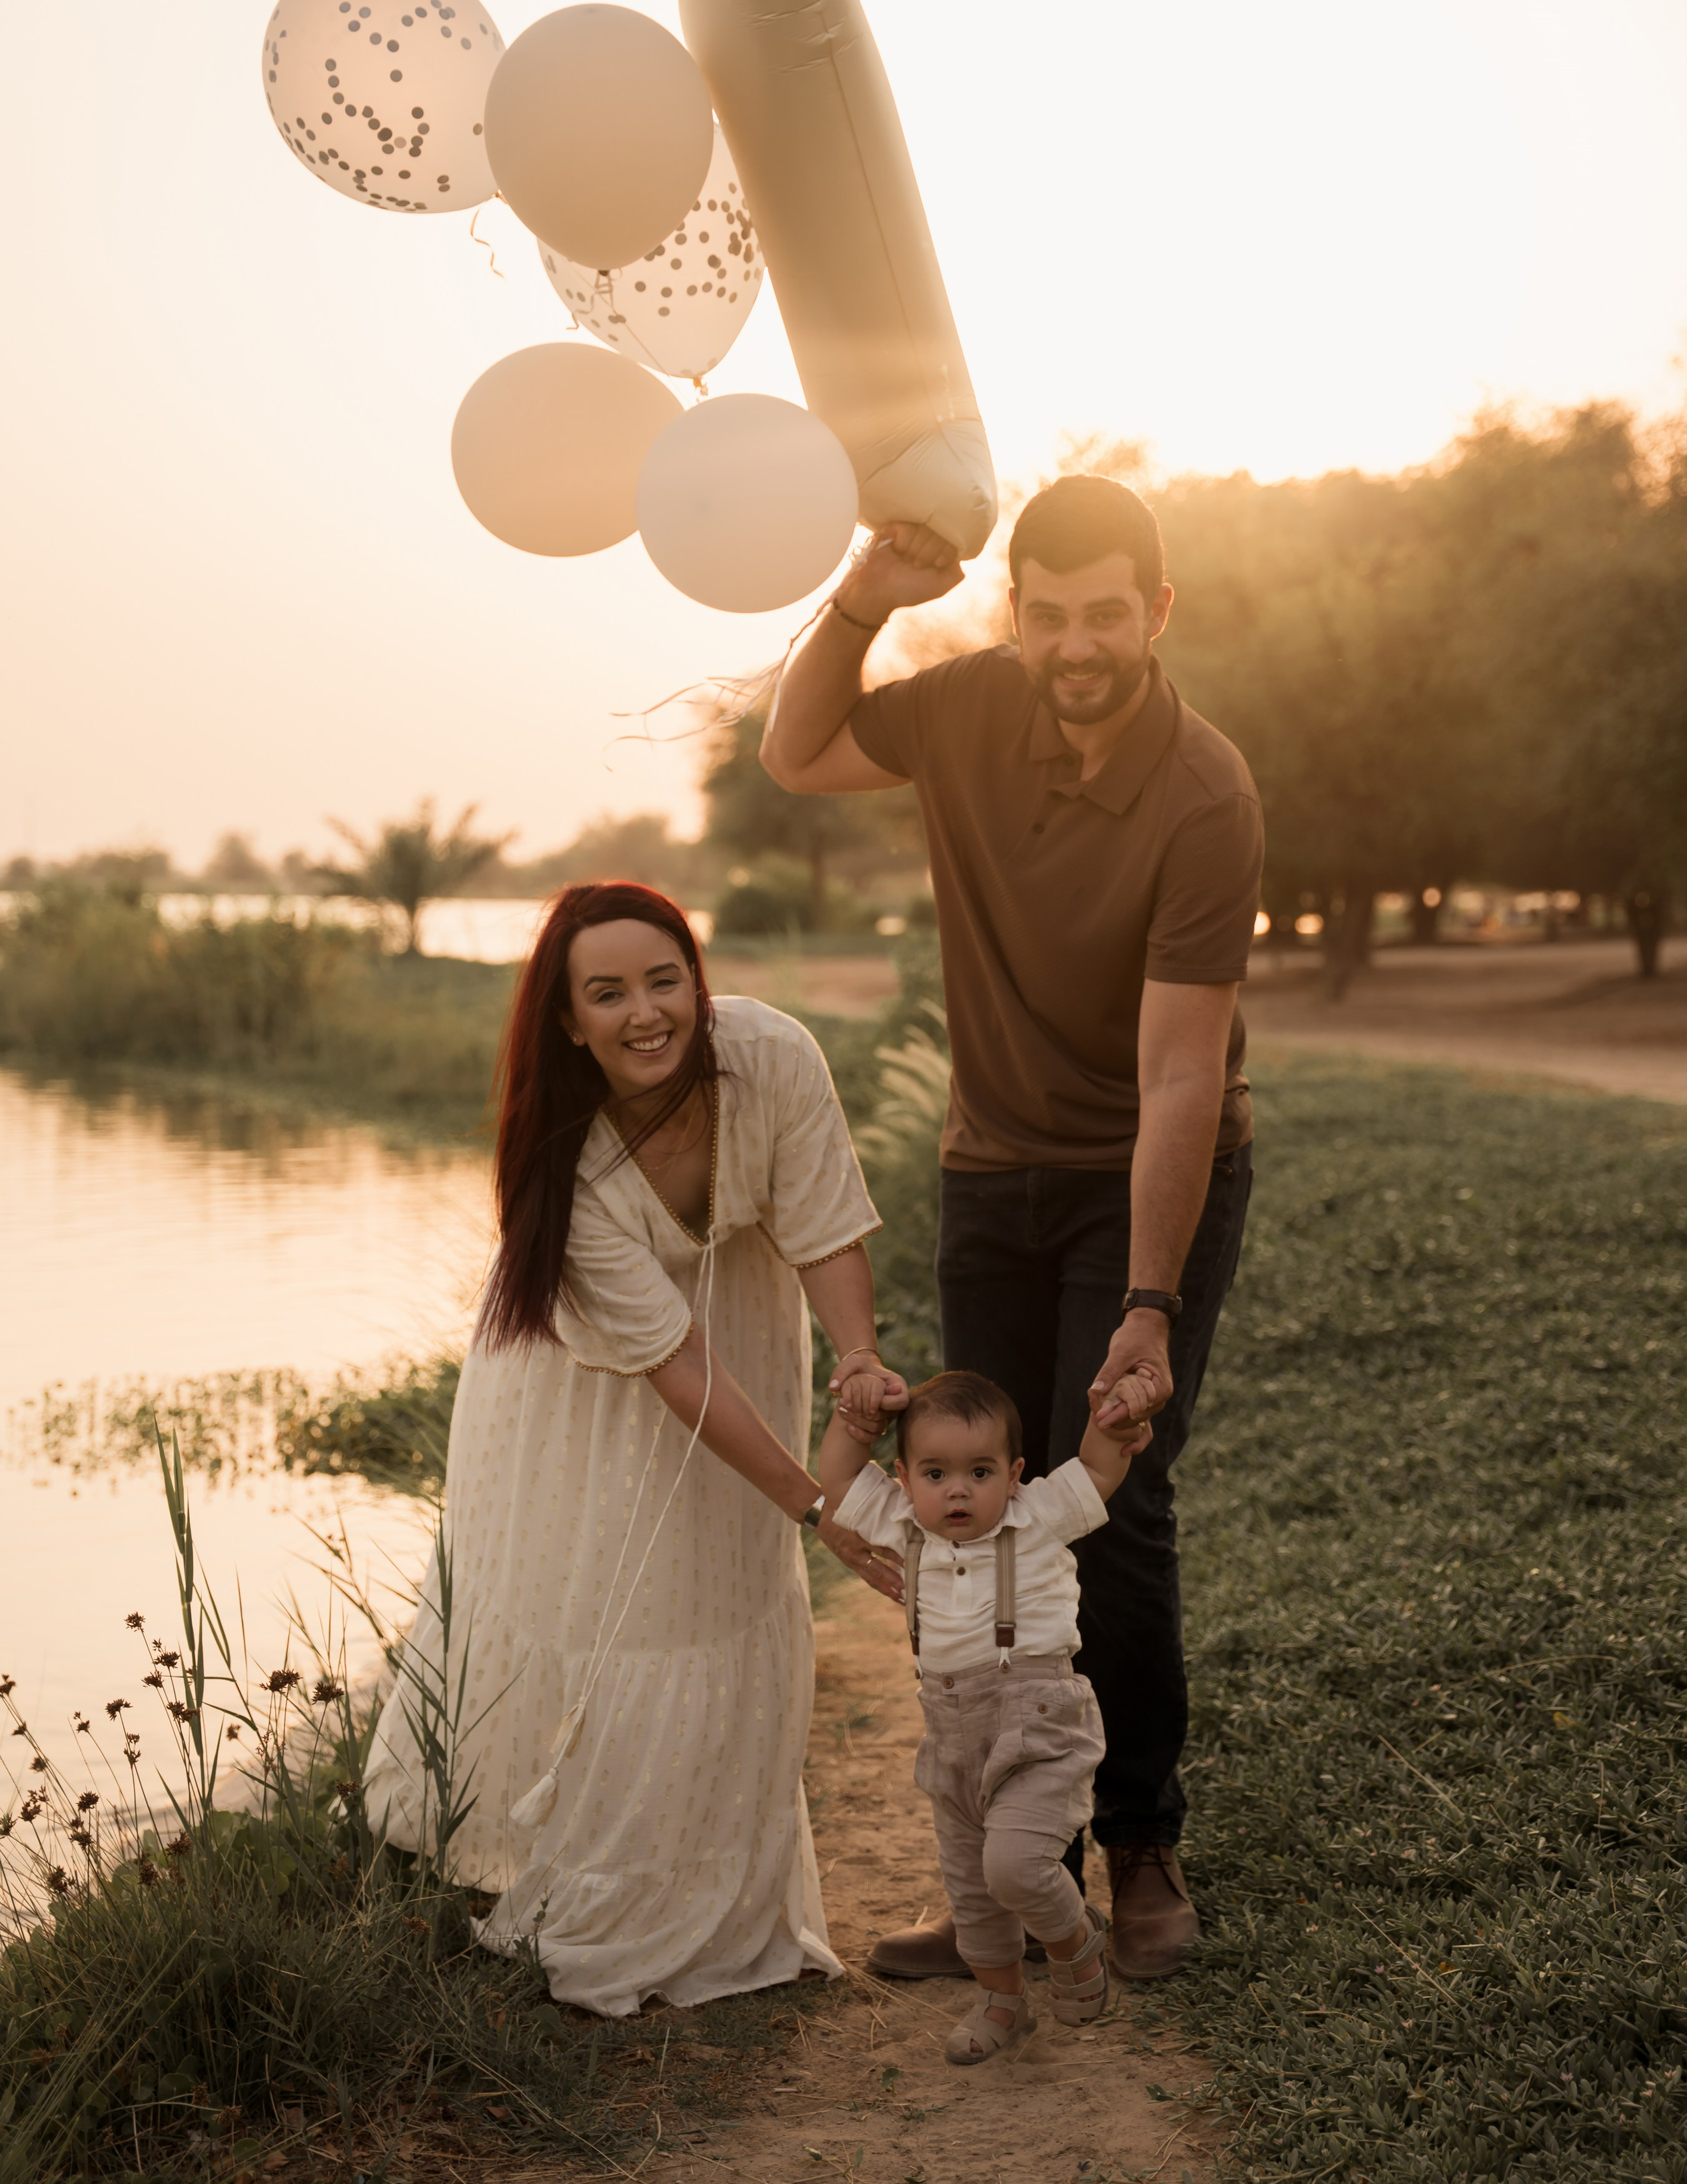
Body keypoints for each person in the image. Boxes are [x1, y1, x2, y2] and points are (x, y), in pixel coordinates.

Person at [762, 472, 1263, 1979]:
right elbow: (794, 750)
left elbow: (1179, 1072)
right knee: (959, 1504)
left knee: (1107, 1509)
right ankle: (1009, 1869)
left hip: (1145, 1172)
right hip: (989, 1173)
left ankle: (1141, 1846)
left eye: (1104, 612)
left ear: (1154, 611)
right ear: (1016, 615)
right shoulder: (971, 706)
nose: (1074, 643)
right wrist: (864, 589)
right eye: (1046, 615)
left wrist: (1149, 1302)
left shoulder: (1203, 791)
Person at [364, 882, 907, 2017]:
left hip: (747, 1341)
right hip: (578, 1394)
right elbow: (676, 1369)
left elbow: (824, 1222)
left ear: (699, 984)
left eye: (665, 980)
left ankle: (722, 1897)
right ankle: (553, 1859)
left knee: (721, 1596)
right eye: (606, 993)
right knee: (610, 1603)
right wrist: (819, 1509)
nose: (644, 1012)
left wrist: (858, 1356)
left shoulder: (772, 1056)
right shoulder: (569, 1167)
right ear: (569, 1020)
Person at [817, 1366, 1153, 2063]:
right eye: (936, 1474)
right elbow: (842, 1480)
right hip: (952, 1733)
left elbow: (1097, 1468)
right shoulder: (903, 1526)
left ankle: (1072, 1940)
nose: (959, 1490)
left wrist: (1113, 1423)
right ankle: (1002, 2000)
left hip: (1037, 1724)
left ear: (1014, 1473)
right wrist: (856, 1423)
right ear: (905, 1478)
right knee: (971, 1892)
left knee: (1015, 1866)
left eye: (980, 1471)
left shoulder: (1036, 1517)